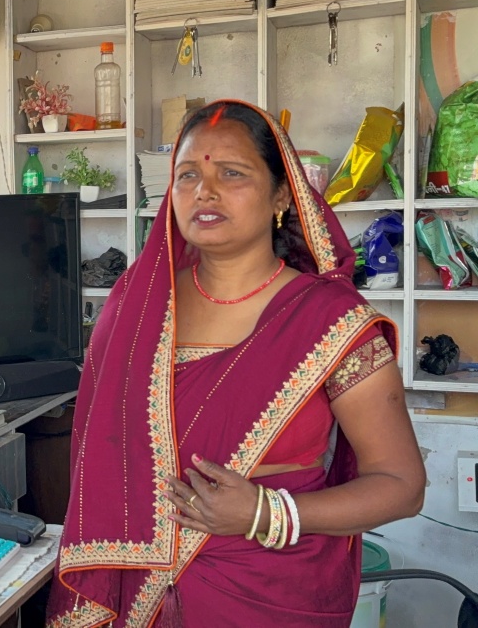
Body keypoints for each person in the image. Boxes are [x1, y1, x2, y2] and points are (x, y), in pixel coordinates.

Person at [47, 100, 425, 627]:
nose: (205, 190)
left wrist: (263, 514)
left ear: (279, 196)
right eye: (186, 175)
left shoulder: (330, 320)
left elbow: (401, 485)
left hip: (268, 589)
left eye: (232, 172)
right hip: (134, 588)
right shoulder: (137, 303)